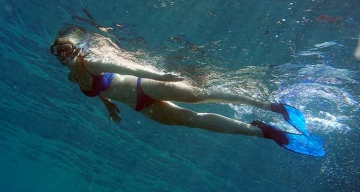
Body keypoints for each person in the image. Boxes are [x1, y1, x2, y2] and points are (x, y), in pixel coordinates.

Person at [51, 25, 325, 156]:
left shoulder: (92, 62)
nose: (62, 55)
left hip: (142, 83)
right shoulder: (71, 79)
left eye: (66, 49)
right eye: (57, 51)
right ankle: (265, 132)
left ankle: (272, 106)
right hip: (139, 105)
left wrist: (160, 75)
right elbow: (100, 91)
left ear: (75, 50)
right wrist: (109, 105)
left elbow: (125, 67)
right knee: (192, 122)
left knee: (200, 95)